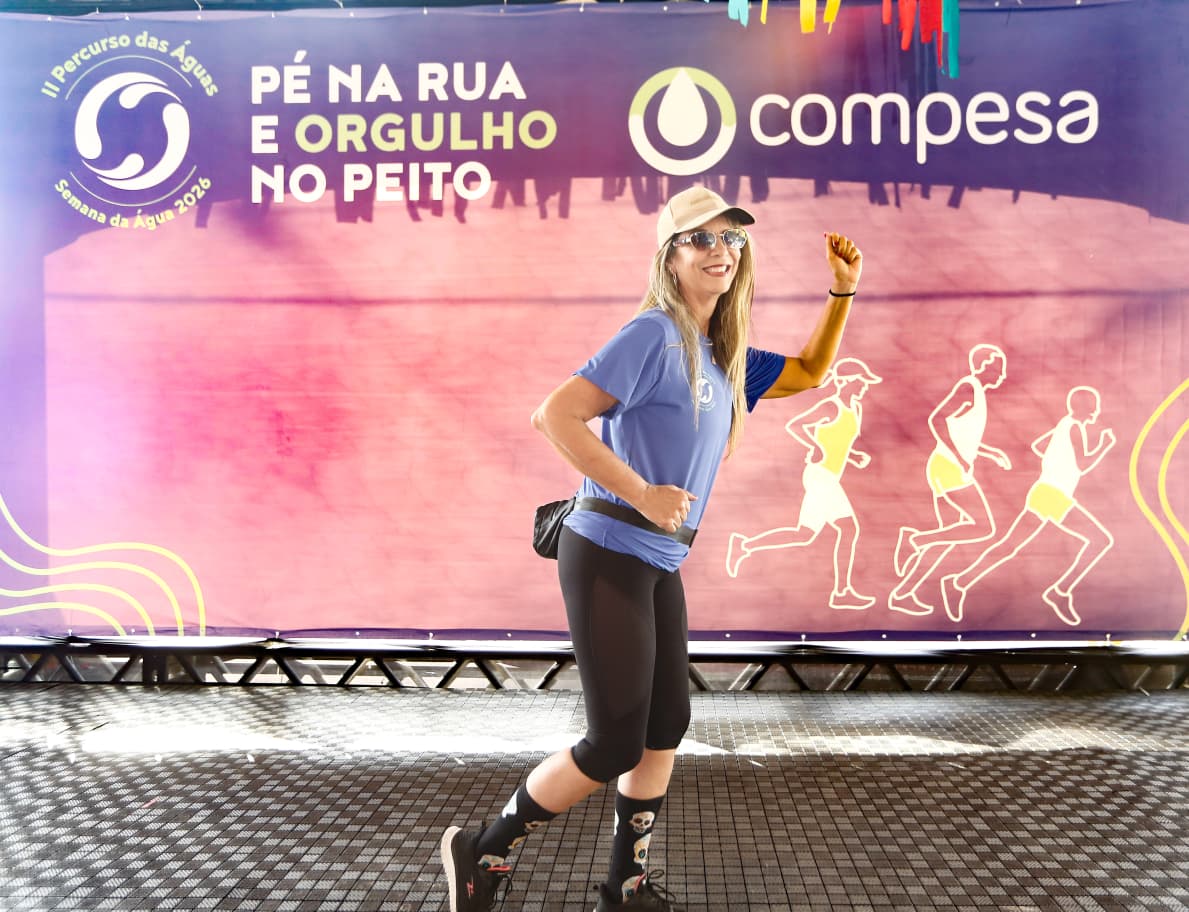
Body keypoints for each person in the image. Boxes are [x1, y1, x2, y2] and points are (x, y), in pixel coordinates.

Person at [439, 185, 863, 912]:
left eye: (731, 238)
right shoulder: (653, 336)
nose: (720, 251)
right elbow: (555, 416)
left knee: (666, 726)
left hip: (658, 561)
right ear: (669, 258)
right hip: (608, 550)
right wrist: (641, 492)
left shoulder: (720, 354)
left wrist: (841, 292)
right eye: (701, 239)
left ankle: (625, 885)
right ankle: (483, 849)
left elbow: (809, 372)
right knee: (612, 744)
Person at [940, 386, 1115, 626]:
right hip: (1054, 495)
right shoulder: (1074, 426)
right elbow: (1082, 464)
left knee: (1009, 546)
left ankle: (958, 582)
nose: (1097, 409)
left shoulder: (1065, 425)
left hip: (1044, 492)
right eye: (1093, 405)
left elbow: (1039, 446)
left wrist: (1056, 458)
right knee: (1099, 540)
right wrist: (1105, 444)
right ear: (1084, 407)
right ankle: (1060, 591)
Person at [724, 357, 881, 612]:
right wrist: (815, 446)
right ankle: (842, 593)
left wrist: (853, 456)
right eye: (861, 381)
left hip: (828, 475)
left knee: (803, 534)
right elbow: (796, 426)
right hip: (820, 475)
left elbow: (837, 443)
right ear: (846, 381)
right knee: (848, 528)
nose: (864, 386)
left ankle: (744, 545)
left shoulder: (855, 410)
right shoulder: (832, 407)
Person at [888, 344, 1011, 616]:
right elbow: (937, 420)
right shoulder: (969, 388)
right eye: (998, 367)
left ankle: (902, 593)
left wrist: (990, 453)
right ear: (984, 365)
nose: (1002, 374)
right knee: (983, 527)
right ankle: (915, 540)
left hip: (949, 467)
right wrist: (959, 458)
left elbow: (962, 436)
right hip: (948, 468)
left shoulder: (977, 393)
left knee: (944, 540)